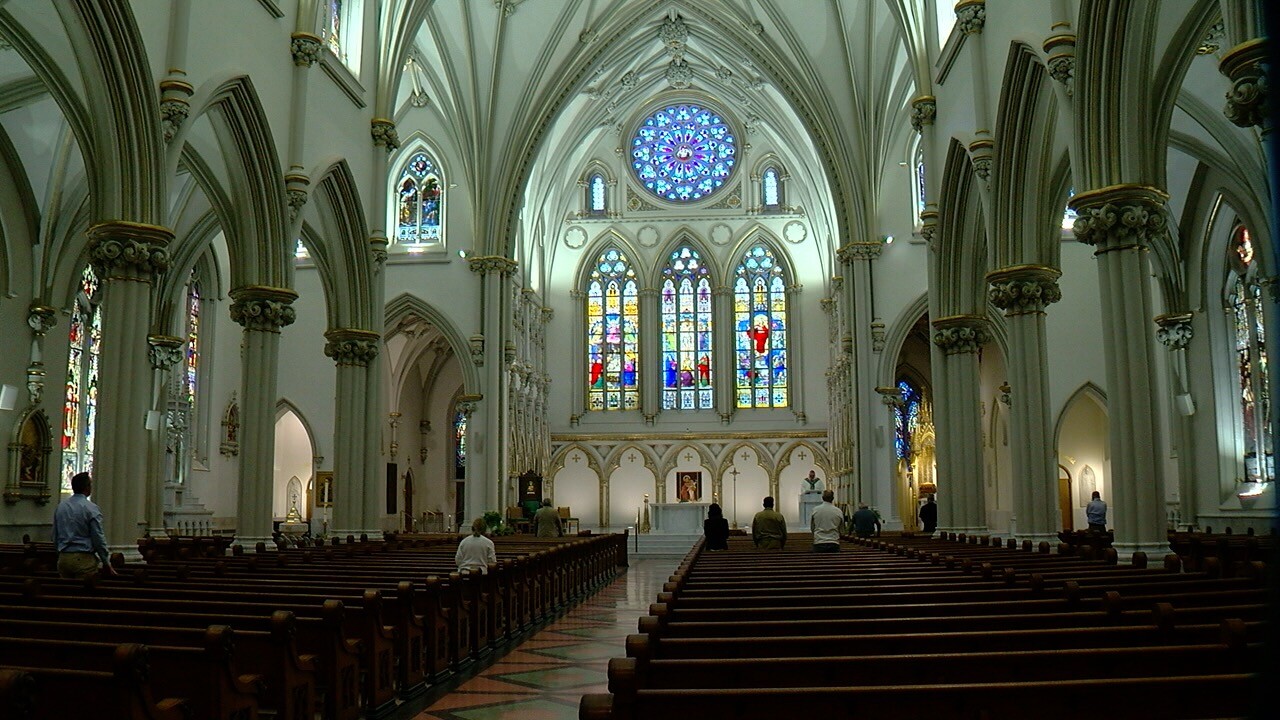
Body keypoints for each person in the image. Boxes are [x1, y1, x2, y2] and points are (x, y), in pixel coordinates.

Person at [52, 472, 116, 579]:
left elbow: (55, 535)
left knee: (64, 591)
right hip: (83, 558)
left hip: (64, 558)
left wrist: (60, 552)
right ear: (87, 487)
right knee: (84, 592)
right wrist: (105, 561)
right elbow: (98, 537)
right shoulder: (91, 508)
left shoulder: (61, 507)